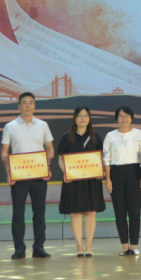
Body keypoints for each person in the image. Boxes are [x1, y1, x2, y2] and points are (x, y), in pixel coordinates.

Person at [1, 92, 55, 259]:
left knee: (39, 213)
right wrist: (9, 172)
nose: (28, 105)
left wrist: (47, 166)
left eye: (31, 102)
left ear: (34, 105)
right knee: (18, 214)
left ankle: (39, 247)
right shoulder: (10, 126)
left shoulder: (43, 125)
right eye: (24, 103)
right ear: (19, 106)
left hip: (39, 176)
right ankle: (19, 248)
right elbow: (4, 152)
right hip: (19, 177)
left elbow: (50, 149)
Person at [57, 106, 106, 257]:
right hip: (73, 181)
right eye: (80, 116)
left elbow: (101, 157)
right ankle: (79, 246)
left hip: (92, 180)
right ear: (75, 118)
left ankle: (89, 246)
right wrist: (66, 173)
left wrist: (101, 170)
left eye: (85, 116)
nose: (83, 118)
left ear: (89, 118)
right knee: (76, 212)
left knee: (91, 212)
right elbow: (60, 159)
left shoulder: (96, 136)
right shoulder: (67, 137)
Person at [103, 106, 141, 255]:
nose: (124, 119)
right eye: (121, 116)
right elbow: (106, 159)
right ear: (117, 119)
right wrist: (108, 179)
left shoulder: (139, 134)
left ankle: (134, 246)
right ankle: (124, 246)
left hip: (135, 173)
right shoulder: (110, 136)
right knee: (119, 211)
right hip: (116, 173)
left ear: (131, 118)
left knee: (135, 211)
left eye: (127, 116)